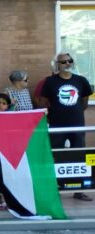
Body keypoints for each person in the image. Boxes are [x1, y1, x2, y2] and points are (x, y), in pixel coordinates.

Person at [37, 52, 93, 201]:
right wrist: (56, 111)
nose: (67, 64)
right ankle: (54, 187)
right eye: (63, 62)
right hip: (57, 125)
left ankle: (79, 189)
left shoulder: (81, 80)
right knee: (55, 155)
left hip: (77, 125)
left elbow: (84, 102)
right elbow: (43, 102)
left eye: (69, 61)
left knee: (79, 155)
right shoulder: (50, 82)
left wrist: (73, 113)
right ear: (57, 65)